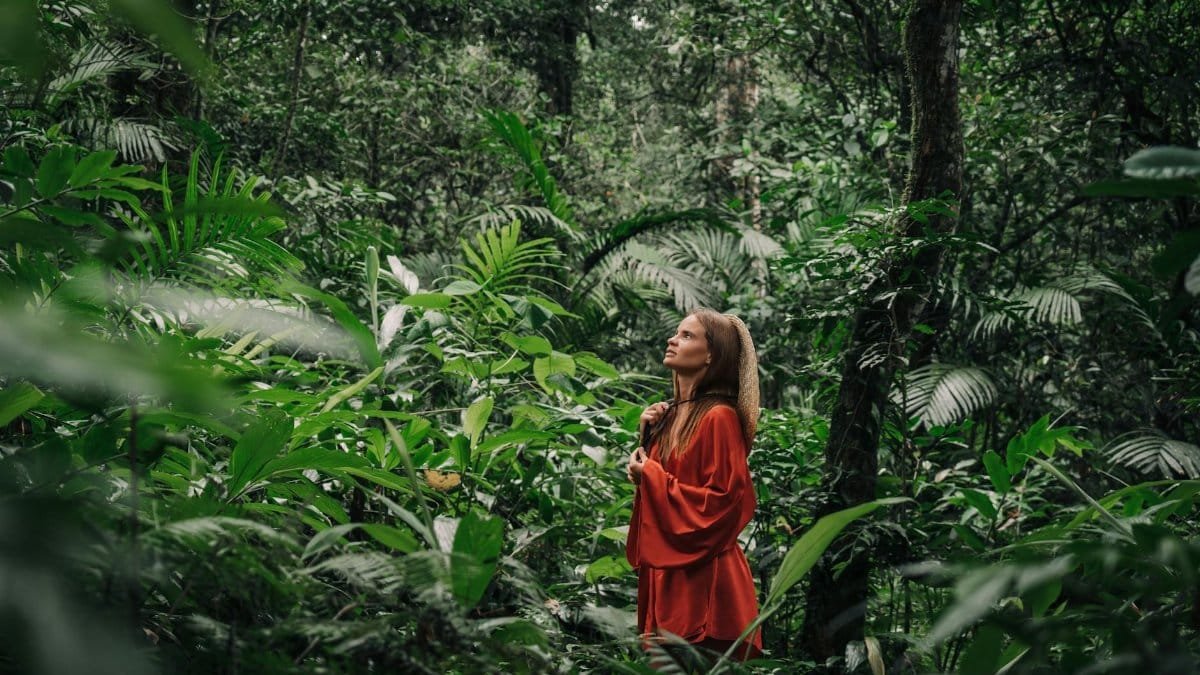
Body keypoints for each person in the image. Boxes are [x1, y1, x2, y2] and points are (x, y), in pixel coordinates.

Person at [625, 308, 763, 665]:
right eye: (676, 333)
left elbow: (725, 502)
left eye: (687, 336)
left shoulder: (719, 417)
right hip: (668, 574)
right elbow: (658, 491)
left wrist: (651, 475)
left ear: (712, 355)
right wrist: (646, 437)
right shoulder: (668, 415)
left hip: (707, 578)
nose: (673, 339)